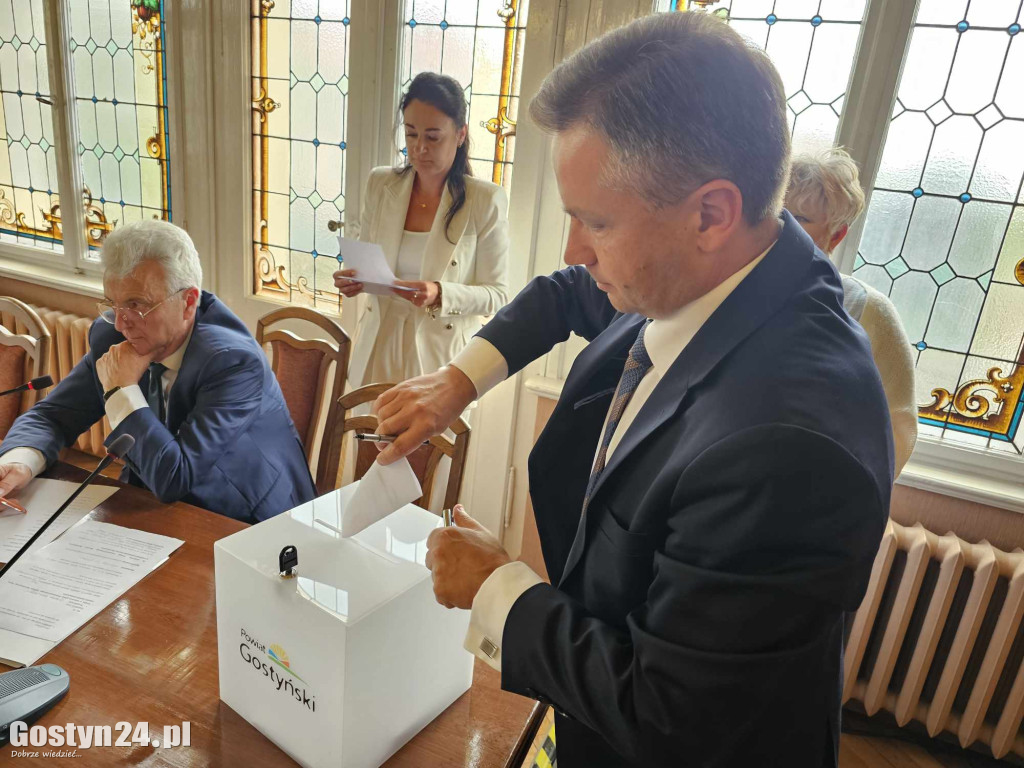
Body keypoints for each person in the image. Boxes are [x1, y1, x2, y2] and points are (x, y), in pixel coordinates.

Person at [367, 13, 892, 768]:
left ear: (711, 213)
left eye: (595, 222)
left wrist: (497, 587)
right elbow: (559, 296)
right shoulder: (708, 273)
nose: (576, 249)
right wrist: (457, 381)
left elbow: (672, 715)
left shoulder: (786, 445)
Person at [0, 220, 315, 523]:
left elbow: (175, 478)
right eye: (114, 304)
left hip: (246, 518)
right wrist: (19, 462)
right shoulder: (112, 334)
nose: (122, 324)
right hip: (154, 502)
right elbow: (53, 416)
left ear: (189, 302)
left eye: (137, 305)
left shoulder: (232, 362)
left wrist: (121, 390)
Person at [334, 72, 510, 389]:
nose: (419, 149)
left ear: (460, 134)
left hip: (440, 358)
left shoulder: (484, 200)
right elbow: (369, 263)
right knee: (367, 434)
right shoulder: (381, 183)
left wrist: (439, 293)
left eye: (432, 137)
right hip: (378, 346)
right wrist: (354, 279)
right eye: (411, 134)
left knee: (426, 440)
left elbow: (496, 295)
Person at [786, 148, 918, 475]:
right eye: (775, 211)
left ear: (838, 233)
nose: (780, 226)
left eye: (800, 218)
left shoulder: (866, 310)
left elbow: (897, 428)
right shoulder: (726, 289)